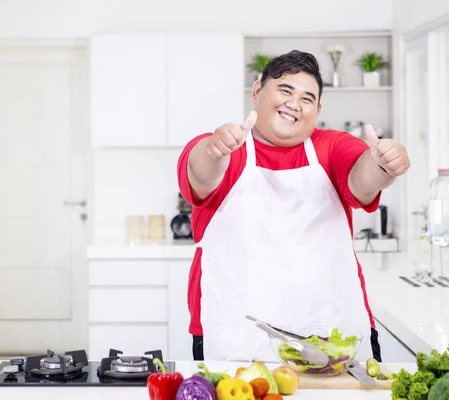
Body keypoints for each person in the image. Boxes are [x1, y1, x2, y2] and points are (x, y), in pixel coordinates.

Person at [176, 49, 410, 363]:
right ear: (257, 92)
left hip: (333, 332)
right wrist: (215, 150)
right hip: (233, 333)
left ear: (318, 109)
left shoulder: (333, 146)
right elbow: (201, 173)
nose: (294, 104)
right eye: (285, 90)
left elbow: (362, 178)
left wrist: (383, 164)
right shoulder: (223, 148)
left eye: (307, 98)